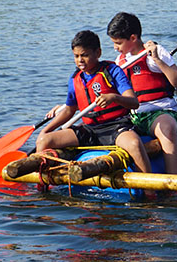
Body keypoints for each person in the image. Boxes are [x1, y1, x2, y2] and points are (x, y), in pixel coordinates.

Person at [35, 30, 152, 177]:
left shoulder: (112, 71)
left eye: (84, 55)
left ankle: (149, 189)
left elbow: (134, 102)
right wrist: (45, 131)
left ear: (98, 53)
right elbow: (69, 110)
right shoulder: (75, 79)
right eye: (76, 56)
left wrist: (114, 98)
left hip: (116, 126)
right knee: (44, 140)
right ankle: (43, 185)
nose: (80, 60)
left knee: (134, 144)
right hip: (90, 130)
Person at [107, 12, 177, 174]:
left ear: (133, 38)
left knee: (166, 128)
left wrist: (157, 60)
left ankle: (174, 180)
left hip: (160, 112)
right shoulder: (120, 61)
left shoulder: (155, 53)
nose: (115, 47)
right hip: (134, 116)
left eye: (118, 43)